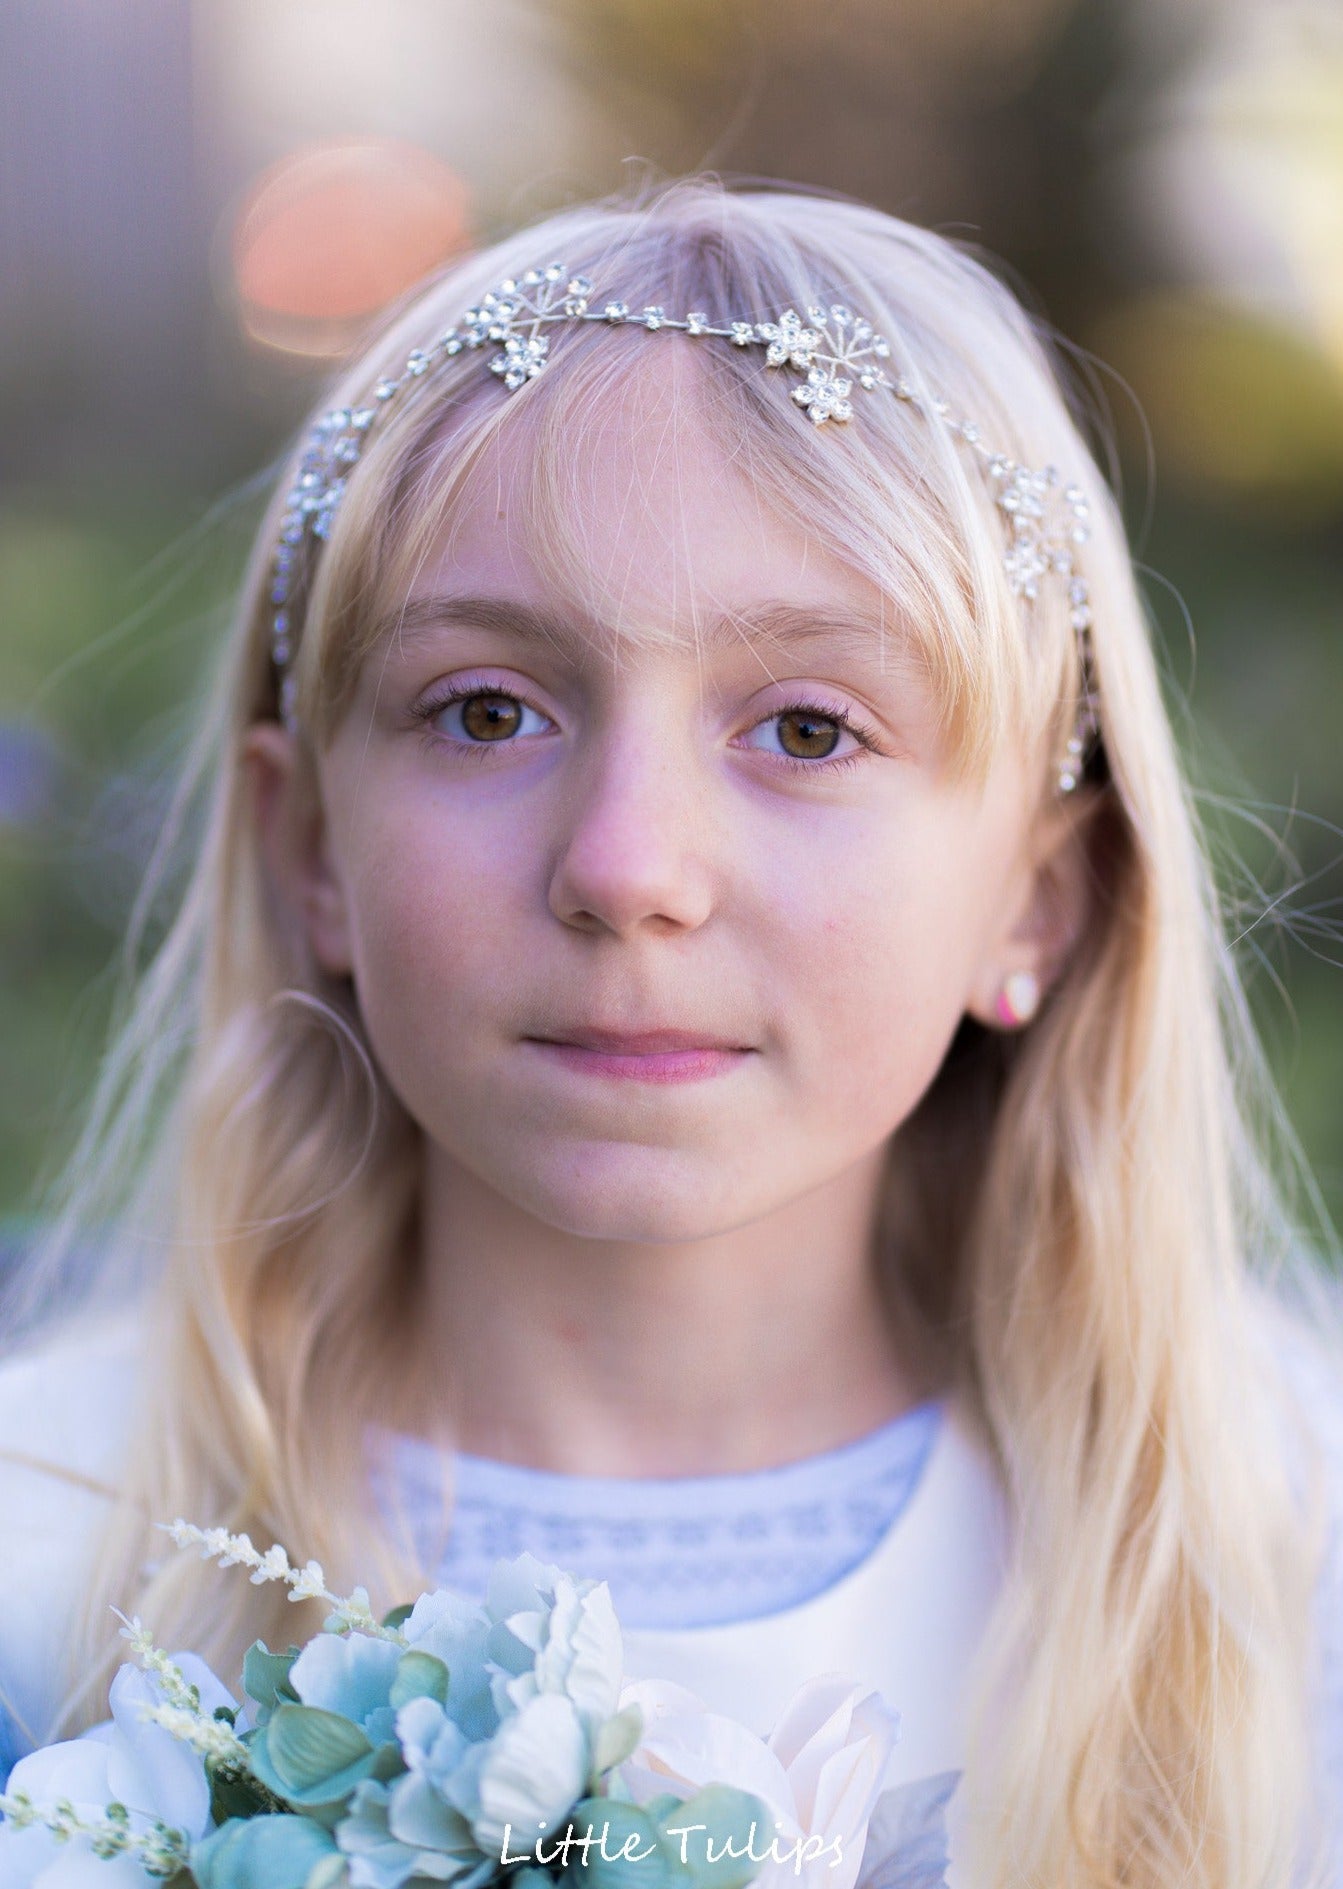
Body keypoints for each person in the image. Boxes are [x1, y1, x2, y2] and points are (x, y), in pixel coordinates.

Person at [1, 175, 1341, 1888]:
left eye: (805, 725)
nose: (628, 866)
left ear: (1039, 897)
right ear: (307, 848)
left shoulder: (1272, 1555)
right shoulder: (48, 1548)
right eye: (486, 708)